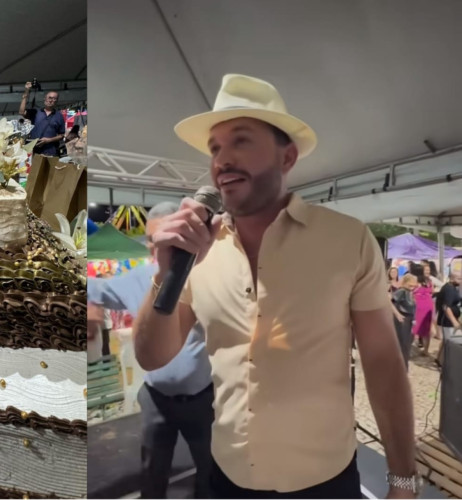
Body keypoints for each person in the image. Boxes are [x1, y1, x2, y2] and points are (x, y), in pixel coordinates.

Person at [132, 74, 417, 498]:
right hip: (227, 478)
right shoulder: (198, 253)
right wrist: (164, 273)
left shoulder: (347, 239)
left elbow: (383, 363)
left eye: (240, 141)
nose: (221, 159)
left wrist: (403, 479)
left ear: (287, 158)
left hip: (326, 483)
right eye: (215, 148)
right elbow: (152, 356)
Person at [88, 201, 214, 499]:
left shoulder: (207, 274)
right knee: (153, 473)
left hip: (204, 400)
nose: (169, 245)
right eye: (161, 238)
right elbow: (90, 288)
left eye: (177, 236)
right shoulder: (135, 279)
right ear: (150, 243)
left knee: (210, 472)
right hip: (157, 399)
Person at [19, 82, 65, 157]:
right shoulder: (36, 112)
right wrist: (26, 91)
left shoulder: (59, 116)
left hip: (51, 152)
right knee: (34, 168)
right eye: (49, 98)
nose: (51, 100)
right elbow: (21, 111)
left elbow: (61, 135)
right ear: (45, 99)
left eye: (54, 99)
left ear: (56, 101)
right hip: (34, 151)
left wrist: (49, 140)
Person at [435, 266, 461, 367]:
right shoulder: (449, 289)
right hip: (447, 320)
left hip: (449, 319)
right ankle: (447, 363)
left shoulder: (452, 287)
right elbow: (446, 307)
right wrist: (454, 321)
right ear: (451, 278)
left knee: (446, 341)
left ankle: (439, 359)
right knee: (449, 343)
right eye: (459, 278)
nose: (461, 280)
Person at [392, 273, 418, 367]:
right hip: (402, 319)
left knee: (407, 342)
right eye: (410, 285)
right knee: (403, 343)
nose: (412, 287)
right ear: (405, 283)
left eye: (413, 286)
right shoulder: (401, 291)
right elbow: (390, 302)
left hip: (409, 319)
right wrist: (397, 314)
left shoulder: (409, 292)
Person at [412, 264, 435, 355]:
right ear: (421, 271)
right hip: (418, 307)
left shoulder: (430, 281)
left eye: (429, 270)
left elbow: (432, 292)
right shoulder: (415, 281)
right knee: (415, 328)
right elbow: (411, 292)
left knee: (426, 329)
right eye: (426, 270)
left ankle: (426, 350)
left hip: (428, 306)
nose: (428, 272)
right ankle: (412, 348)